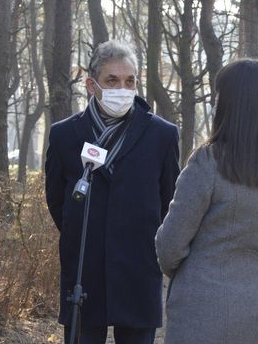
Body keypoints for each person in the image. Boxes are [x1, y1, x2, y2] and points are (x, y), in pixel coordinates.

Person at [155, 59, 258, 344]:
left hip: (200, 312)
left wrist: (194, 270)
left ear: (227, 104)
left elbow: (169, 246)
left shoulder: (206, 162)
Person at [45, 40, 180, 344]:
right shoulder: (65, 135)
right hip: (84, 269)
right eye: (112, 80)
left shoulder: (162, 135)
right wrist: (83, 231)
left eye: (129, 81)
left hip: (138, 269)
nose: (123, 88)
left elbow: (170, 201)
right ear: (92, 85)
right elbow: (56, 199)